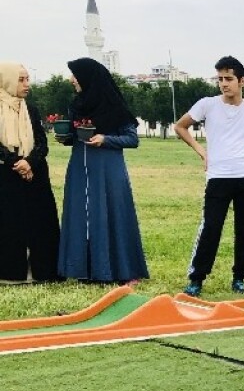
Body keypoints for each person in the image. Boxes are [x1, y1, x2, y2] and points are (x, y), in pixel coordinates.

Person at [174, 56, 244, 296]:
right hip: (218, 178)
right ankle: (197, 279)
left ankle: (239, 278)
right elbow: (180, 126)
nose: (224, 84)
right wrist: (201, 152)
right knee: (211, 228)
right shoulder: (207, 104)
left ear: (242, 81)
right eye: (220, 79)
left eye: (229, 79)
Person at [56, 57, 148, 285]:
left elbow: (132, 139)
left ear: (88, 78)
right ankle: (84, 270)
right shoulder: (77, 105)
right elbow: (77, 137)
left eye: (75, 75)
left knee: (113, 215)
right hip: (80, 169)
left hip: (108, 170)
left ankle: (122, 270)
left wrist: (105, 139)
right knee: (81, 216)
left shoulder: (114, 107)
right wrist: (66, 137)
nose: (72, 80)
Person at [0, 63, 60, 282]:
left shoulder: (30, 110)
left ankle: (42, 272)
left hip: (35, 175)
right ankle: (11, 273)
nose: (27, 84)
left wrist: (29, 163)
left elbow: (42, 144)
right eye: (21, 79)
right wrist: (17, 163)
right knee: (9, 223)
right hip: (5, 175)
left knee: (40, 222)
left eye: (27, 79)